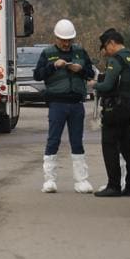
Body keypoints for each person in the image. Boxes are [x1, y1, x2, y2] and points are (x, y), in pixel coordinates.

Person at [33, 18, 96, 193]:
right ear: (57, 38)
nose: (67, 43)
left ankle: (81, 180)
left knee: (77, 141)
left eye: (69, 40)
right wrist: (53, 66)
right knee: (53, 140)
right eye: (63, 40)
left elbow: (91, 73)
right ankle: (49, 180)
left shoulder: (80, 52)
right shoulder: (47, 53)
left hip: (76, 103)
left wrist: (81, 70)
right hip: (57, 103)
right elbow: (38, 75)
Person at [92, 28, 130, 197]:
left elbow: (107, 85)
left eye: (105, 48)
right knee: (128, 147)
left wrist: (94, 85)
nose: (105, 52)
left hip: (115, 109)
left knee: (110, 146)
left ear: (111, 43)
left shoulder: (116, 60)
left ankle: (113, 185)